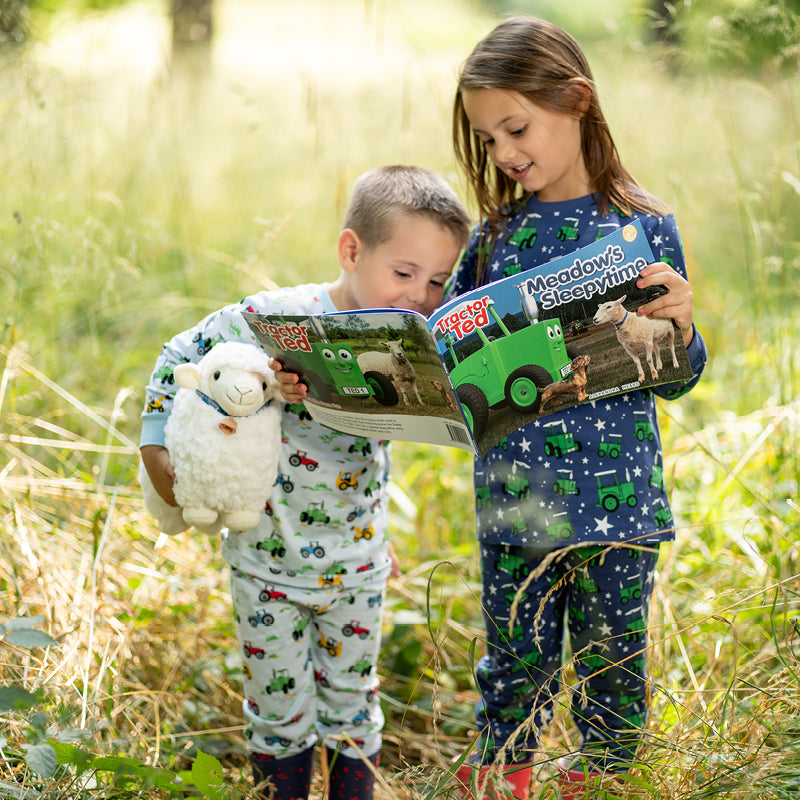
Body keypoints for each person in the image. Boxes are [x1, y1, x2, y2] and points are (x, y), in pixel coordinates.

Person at [140, 165, 471, 800]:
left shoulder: (412, 338)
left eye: (435, 282)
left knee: (353, 706)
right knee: (278, 713)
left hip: (358, 566)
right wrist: (160, 451)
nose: (419, 296)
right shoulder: (277, 318)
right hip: (265, 562)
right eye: (403, 274)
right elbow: (180, 355)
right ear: (351, 250)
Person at [447, 17, 707, 799]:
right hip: (516, 504)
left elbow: (676, 378)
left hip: (617, 506)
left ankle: (605, 784)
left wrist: (683, 330)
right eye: (487, 139)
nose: (503, 154)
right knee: (514, 666)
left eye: (515, 128)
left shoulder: (642, 226)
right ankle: (502, 778)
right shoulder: (496, 238)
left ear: (577, 100)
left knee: (614, 669)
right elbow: (451, 353)